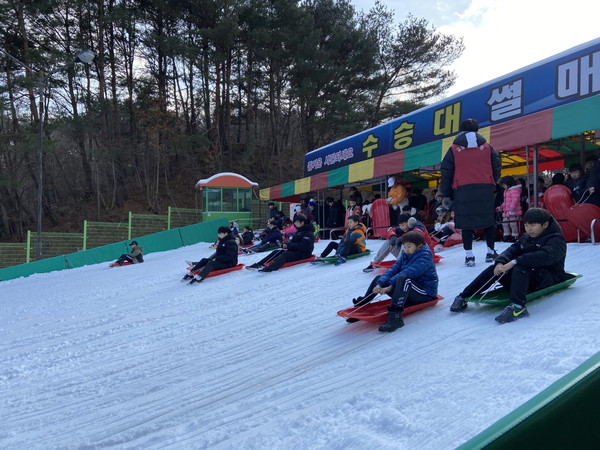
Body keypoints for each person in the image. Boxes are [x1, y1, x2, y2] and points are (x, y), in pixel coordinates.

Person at [450, 208, 567, 323]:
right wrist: (500, 263)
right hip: (528, 277)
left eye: (532, 225)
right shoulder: (527, 237)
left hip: (549, 277)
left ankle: (518, 307)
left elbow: (545, 256)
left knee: (521, 267)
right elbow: (512, 250)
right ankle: (463, 296)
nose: (529, 229)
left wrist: (514, 262)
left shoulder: (556, 239)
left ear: (545, 225)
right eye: (526, 225)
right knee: (495, 269)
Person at [440, 118, 501, 267]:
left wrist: (446, 193)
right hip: (485, 188)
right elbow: (497, 165)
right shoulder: (488, 147)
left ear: (461, 130)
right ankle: (490, 252)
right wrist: (492, 181)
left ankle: (469, 256)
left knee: (466, 223)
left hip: (462, 190)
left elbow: (446, 172)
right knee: (488, 221)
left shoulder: (454, 149)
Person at [351, 231, 438, 332]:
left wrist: (390, 286)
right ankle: (361, 306)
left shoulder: (425, 257)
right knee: (379, 278)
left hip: (425, 293)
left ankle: (396, 318)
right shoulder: (407, 254)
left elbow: (409, 273)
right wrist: (380, 284)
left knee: (404, 279)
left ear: (419, 246)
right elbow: (394, 269)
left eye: (409, 246)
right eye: (404, 247)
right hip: (408, 289)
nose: (406, 250)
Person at [362, 213, 436, 272]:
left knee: (407, 243)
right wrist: (392, 237)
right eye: (400, 225)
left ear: (408, 222)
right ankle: (375, 263)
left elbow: (418, 234)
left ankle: (400, 265)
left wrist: (403, 238)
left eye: (403, 225)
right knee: (389, 242)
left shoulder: (417, 225)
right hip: (410, 256)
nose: (402, 227)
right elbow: (391, 230)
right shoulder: (404, 229)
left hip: (424, 256)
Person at [246, 215, 315, 272]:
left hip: (304, 254)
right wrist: (285, 244)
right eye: (295, 222)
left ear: (302, 222)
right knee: (276, 252)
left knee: (286, 254)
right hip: (296, 251)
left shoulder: (308, 233)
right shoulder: (300, 231)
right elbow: (294, 241)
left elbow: (304, 246)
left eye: (297, 222)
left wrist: (289, 245)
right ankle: (259, 264)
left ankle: (271, 268)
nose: (295, 224)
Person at [497, 176, 522, 242]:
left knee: (513, 224)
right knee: (505, 223)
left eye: (504, 185)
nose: (503, 186)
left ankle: (515, 235)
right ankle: (506, 235)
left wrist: (511, 209)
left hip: (513, 211)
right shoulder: (506, 191)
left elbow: (515, 200)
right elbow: (505, 201)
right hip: (506, 211)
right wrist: (501, 207)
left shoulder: (515, 190)